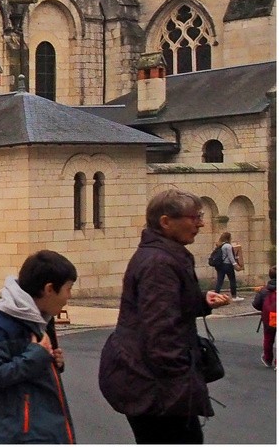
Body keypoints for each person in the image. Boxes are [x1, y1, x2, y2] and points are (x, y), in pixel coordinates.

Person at [99, 189, 230, 444]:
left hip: (151, 383)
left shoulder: (163, 255)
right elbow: (160, 332)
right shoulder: (159, 262)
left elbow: (164, 308)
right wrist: (182, 383)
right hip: (156, 387)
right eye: (194, 217)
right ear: (166, 222)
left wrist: (200, 302)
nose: (201, 223)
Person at [0, 250, 77, 444]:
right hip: (16, 436)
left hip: (39, 432)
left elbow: (29, 372)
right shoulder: (4, 323)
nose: (69, 297)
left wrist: (52, 362)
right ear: (49, 289)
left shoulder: (42, 319)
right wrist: (36, 356)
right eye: (68, 289)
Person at [254, 266, 276, 369]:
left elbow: (256, 304)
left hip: (268, 319)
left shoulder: (263, 291)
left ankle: (268, 359)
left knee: (268, 339)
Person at [210, 231, 238, 298]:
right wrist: (235, 265)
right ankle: (234, 296)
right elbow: (230, 257)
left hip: (220, 265)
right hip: (227, 265)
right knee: (232, 280)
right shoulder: (228, 246)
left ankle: (216, 295)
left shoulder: (220, 245)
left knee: (220, 281)